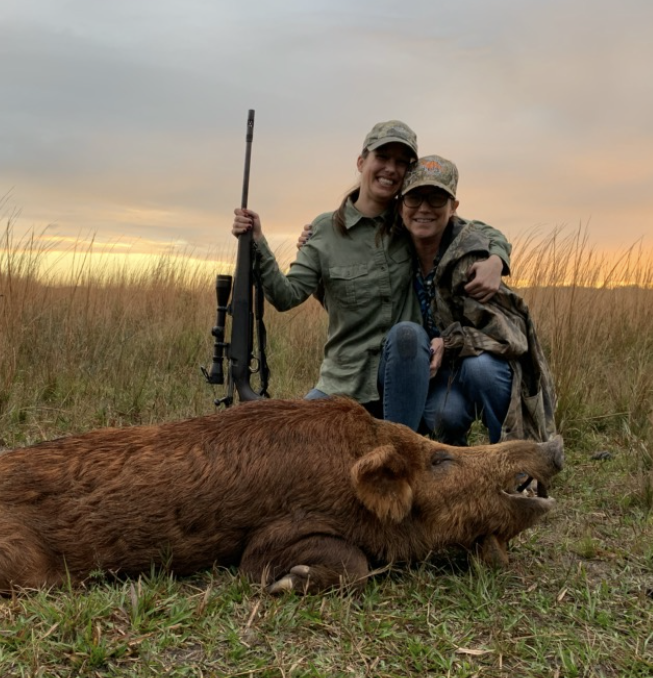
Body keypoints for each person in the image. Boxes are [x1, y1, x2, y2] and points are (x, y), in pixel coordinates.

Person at [231, 120, 512, 427]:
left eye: (401, 162)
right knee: (292, 434)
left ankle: (401, 445)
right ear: (361, 161)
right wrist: (257, 241)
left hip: (407, 375)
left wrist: (496, 259)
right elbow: (286, 296)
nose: (391, 168)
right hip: (345, 380)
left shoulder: (413, 218)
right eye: (382, 157)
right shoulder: (325, 230)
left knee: (408, 335)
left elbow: (477, 230)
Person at [398, 155, 556, 444]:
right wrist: (318, 233)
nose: (424, 208)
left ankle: (511, 456)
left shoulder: (472, 259)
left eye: (437, 199)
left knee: (481, 369)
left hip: (476, 364)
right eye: (414, 198)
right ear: (401, 204)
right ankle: (455, 462)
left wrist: (448, 342)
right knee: (445, 415)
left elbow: (508, 337)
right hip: (435, 374)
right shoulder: (393, 248)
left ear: (453, 207)